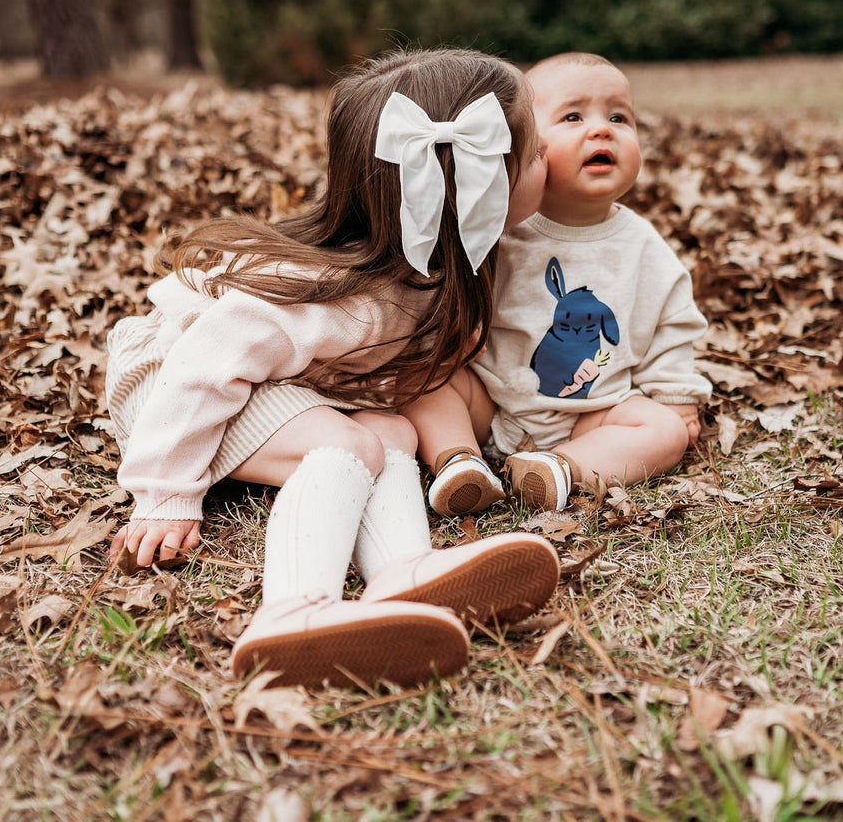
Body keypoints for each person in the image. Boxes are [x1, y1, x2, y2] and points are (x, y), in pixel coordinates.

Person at [103, 48, 561, 690]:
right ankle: (292, 611)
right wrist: (164, 492)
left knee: (393, 433)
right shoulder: (348, 299)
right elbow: (204, 365)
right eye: (536, 153)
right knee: (349, 445)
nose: (550, 157)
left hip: (260, 378)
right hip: (169, 381)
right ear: (479, 189)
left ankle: (401, 571)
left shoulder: (435, 262)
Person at [405, 52, 711, 515]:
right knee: (424, 381)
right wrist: (450, 333)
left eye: (619, 117)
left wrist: (676, 397)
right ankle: (459, 461)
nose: (602, 129)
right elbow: (446, 291)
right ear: (527, 143)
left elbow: (672, 324)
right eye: (573, 116)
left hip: (594, 414)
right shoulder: (500, 230)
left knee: (664, 431)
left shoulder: (643, 245)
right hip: (491, 401)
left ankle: (558, 469)